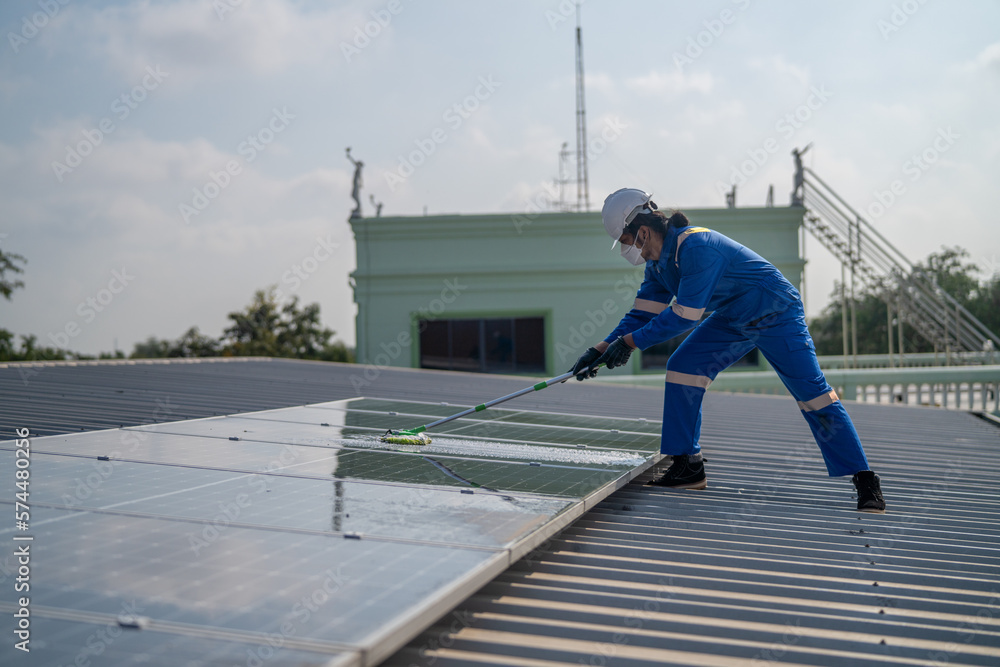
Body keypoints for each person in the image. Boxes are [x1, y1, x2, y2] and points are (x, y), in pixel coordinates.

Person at [570, 188, 886, 513]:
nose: (630, 249)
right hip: (735, 316)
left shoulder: (696, 246)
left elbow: (685, 316)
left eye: (627, 240)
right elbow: (641, 315)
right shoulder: (659, 266)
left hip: (775, 311)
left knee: (813, 394)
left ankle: (864, 478)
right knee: (684, 367)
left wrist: (629, 344)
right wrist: (601, 348)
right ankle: (688, 465)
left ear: (644, 231)